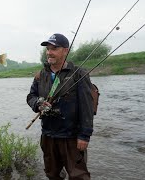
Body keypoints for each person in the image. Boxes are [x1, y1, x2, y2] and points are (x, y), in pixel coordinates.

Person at [26, 33, 94, 180]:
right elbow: (30, 97)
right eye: (48, 49)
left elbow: (87, 107)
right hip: (48, 135)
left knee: (79, 176)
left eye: (54, 48)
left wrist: (84, 135)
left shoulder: (79, 74)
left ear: (65, 51)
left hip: (71, 137)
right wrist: (38, 103)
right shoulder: (40, 75)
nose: (49, 52)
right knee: (52, 174)